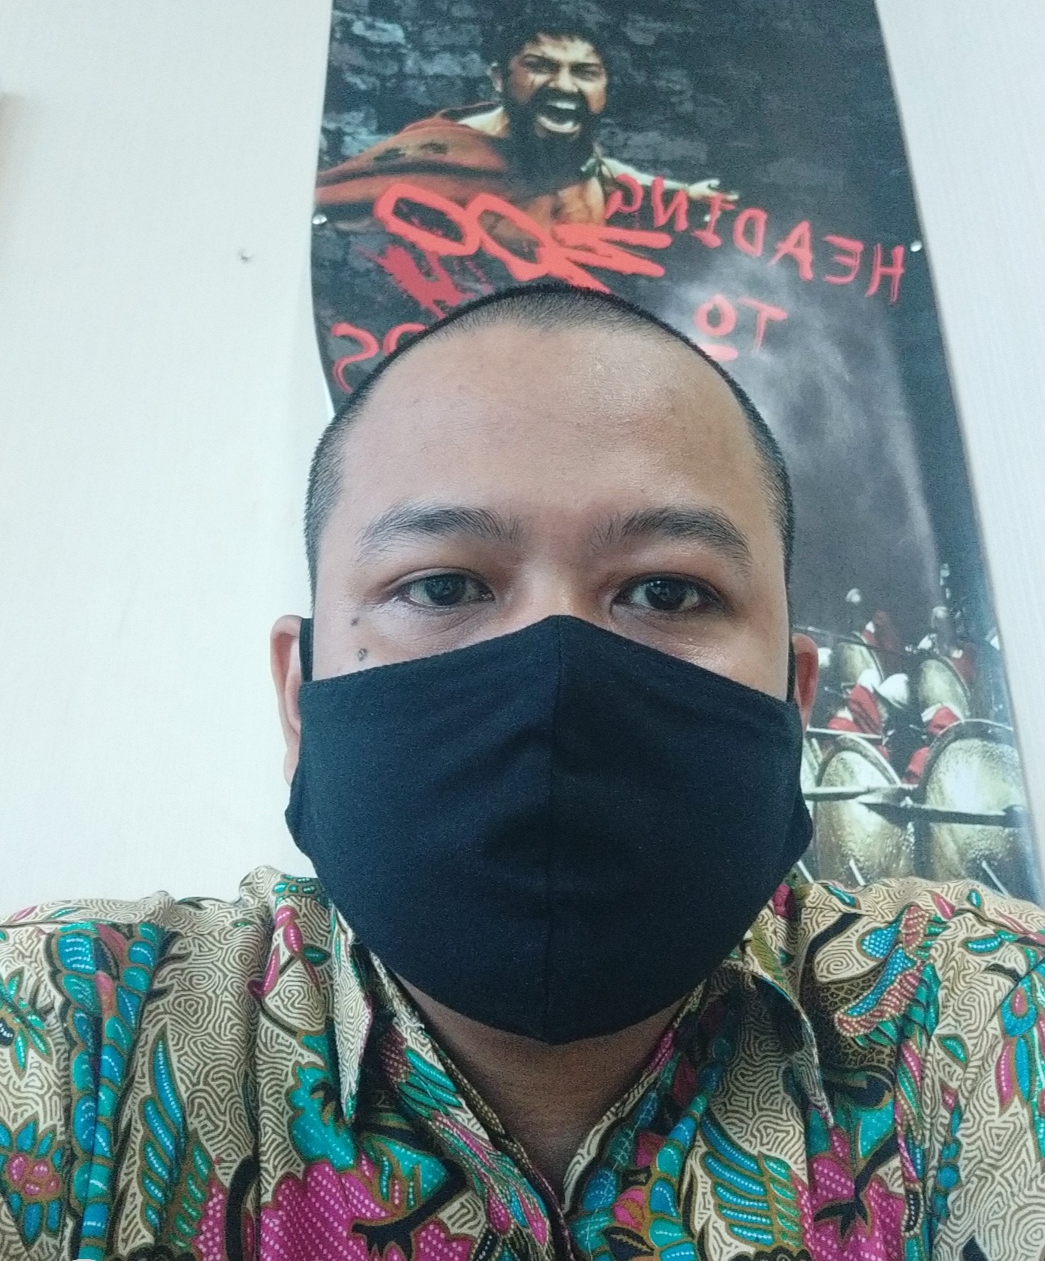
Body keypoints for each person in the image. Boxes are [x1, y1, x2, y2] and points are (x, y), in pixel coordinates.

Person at [1, 285, 1043, 1261]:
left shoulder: (986, 1015)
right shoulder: (68, 1036)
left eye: (667, 592)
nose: (552, 675)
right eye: (442, 585)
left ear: (794, 701)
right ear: (298, 696)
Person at [315, 18, 728, 235]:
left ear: (604, 87)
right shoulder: (439, 155)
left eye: (585, 72)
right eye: (540, 67)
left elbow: (604, 170)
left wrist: (683, 192)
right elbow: (331, 199)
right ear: (500, 79)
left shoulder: (573, 152)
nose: (563, 86)